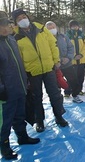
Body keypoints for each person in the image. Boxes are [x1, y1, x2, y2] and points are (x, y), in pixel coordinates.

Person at [11, 8, 68, 133]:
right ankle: (40, 121)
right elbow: (19, 58)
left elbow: (52, 44)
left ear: (27, 17)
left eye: (23, 17)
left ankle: (59, 117)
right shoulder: (16, 36)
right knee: (36, 98)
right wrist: (24, 74)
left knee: (55, 94)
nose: (22, 20)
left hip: (49, 68)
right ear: (16, 22)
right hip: (32, 72)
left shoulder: (41, 28)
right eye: (19, 19)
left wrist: (56, 61)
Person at [0, 11, 40, 160]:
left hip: (20, 86)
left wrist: (26, 81)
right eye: (3, 25)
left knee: (19, 115)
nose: (7, 27)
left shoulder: (11, 40)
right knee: (5, 120)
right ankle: (4, 147)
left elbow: (19, 63)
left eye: (8, 24)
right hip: (6, 92)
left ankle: (22, 137)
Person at [45, 21, 83, 103]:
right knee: (56, 84)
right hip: (54, 66)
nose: (52, 29)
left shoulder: (64, 37)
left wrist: (68, 58)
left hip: (67, 64)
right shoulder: (44, 39)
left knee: (73, 80)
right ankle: (58, 101)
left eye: (53, 27)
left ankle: (75, 95)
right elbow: (46, 53)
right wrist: (58, 60)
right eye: (50, 28)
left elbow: (71, 48)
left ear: (56, 27)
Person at [66, 20, 85, 95]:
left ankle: (79, 90)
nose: (74, 27)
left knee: (80, 76)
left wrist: (81, 55)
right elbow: (65, 48)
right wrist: (73, 56)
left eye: (76, 25)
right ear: (70, 27)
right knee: (70, 77)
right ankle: (68, 92)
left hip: (82, 60)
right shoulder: (67, 35)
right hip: (71, 61)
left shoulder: (82, 35)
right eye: (72, 26)